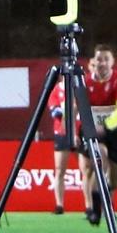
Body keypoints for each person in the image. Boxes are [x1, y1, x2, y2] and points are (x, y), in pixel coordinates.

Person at [77, 44, 117, 226]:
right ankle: (96, 211)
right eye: (99, 59)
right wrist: (82, 128)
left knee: (114, 181)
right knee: (100, 160)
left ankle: (104, 202)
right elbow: (80, 109)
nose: (102, 63)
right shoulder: (86, 82)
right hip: (93, 132)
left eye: (106, 59)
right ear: (94, 61)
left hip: (114, 131)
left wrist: (106, 126)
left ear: (112, 62)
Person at [47, 77, 71, 215]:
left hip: (80, 131)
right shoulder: (56, 90)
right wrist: (67, 108)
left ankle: (90, 206)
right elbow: (55, 112)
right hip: (62, 132)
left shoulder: (80, 87)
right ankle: (59, 205)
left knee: (88, 169)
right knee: (60, 169)